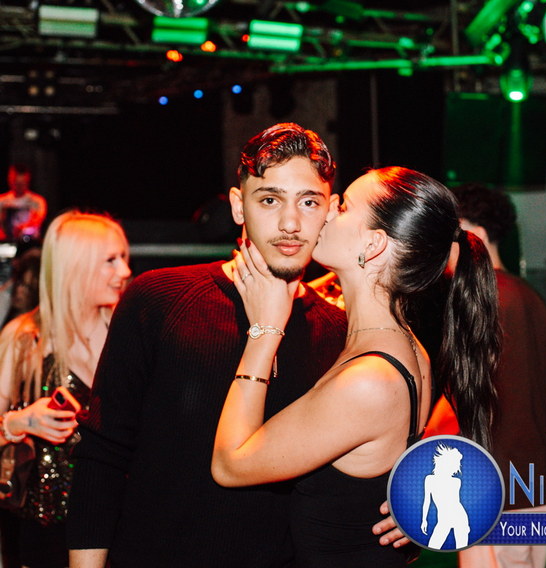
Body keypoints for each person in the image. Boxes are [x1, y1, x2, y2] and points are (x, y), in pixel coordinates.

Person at [67, 123, 405, 568]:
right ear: (237, 205)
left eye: (308, 202)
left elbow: (369, 455)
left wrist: (407, 502)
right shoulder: (159, 298)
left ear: (330, 210)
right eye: (269, 200)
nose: (290, 223)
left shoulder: (340, 332)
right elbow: (102, 453)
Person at [211, 166, 500, 566]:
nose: (327, 211)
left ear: (374, 244)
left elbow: (229, 465)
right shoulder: (407, 346)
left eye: (344, 207)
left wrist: (265, 330)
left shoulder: (369, 380)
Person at [0, 211, 131, 568]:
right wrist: (20, 422)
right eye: (110, 260)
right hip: (47, 535)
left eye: (124, 257)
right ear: (75, 267)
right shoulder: (25, 340)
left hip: (123, 524)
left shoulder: (128, 331)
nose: (124, 271)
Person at [453, 183, 546, 568]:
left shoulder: (478, 299)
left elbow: (464, 399)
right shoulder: (532, 296)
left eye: (451, 234)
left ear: (476, 235)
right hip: (538, 481)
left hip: (494, 487)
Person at [0, 165, 47, 244]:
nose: (19, 186)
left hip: (29, 243)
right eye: (16, 182)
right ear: (10, 180)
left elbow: (37, 222)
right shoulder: (2, 201)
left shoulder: (37, 201)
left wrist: (22, 228)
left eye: (22, 183)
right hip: (5, 243)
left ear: (27, 181)